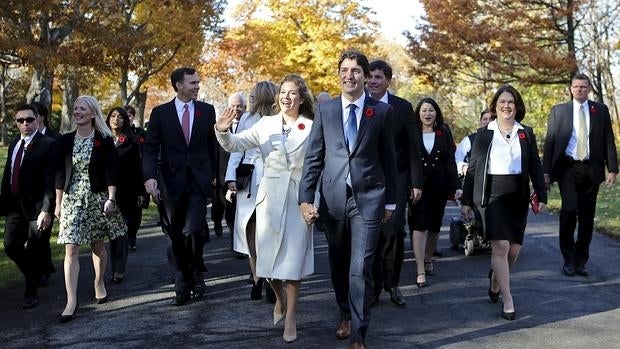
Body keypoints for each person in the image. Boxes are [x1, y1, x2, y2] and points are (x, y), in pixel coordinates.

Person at [299, 50, 398, 349]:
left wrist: (390, 202)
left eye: (356, 71)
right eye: (344, 69)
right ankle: (344, 311)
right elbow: (313, 157)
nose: (349, 75)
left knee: (360, 266)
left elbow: (389, 160)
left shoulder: (379, 112)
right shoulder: (325, 110)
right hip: (333, 199)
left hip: (368, 198)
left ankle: (358, 332)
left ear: (366, 77)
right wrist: (306, 197)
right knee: (339, 262)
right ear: (338, 74)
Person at [216, 74, 315, 343]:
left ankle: (291, 316)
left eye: (292, 93)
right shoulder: (265, 124)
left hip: (297, 200)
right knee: (266, 264)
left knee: (293, 263)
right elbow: (236, 144)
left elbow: (316, 167)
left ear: (301, 98)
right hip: (269, 199)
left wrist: (312, 201)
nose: (286, 97)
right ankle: (279, 297)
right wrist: (223, 131)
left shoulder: (310, 126)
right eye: (283, 92)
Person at [461, 85, 547, 321]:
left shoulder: (525, 133)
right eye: (502, 102)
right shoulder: (485, 133)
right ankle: (508, 299)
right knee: (500, 247)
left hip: (518, 197)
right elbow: (474, 168)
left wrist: (542, 193)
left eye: (511, 102)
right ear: (495, 106)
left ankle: (496, 279)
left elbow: (535, 166)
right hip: (492, 197)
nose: (506, 106)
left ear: (517, 106)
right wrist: (467, 200)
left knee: (514, 251)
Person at [142, 67, 218, 306]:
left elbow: (212, 146)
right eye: (192, 83)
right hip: (170, 182)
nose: (197, 86)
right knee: (175, 235)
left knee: (194, 230)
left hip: (197, 181)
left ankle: (190, 275)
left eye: (198, 82)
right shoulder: (160, 113)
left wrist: (215, 177)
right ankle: (184, 278)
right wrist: (149, 177)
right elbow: (151, 148)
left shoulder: (206, 111)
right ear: (178, 86)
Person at [55, 95, 126, 323]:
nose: (77, 112)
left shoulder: (104, 139)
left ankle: (98, 281)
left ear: (93, 113)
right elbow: (59, 173)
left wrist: (111, 198)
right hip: (72, 198)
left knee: (97, 244)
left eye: (82, 109)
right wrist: (58, 204)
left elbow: (112, 171)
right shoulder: (65, 140)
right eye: (75, 108)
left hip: (97, 198)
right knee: (71, 249)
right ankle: (71, 300)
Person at [543, 73, 618, 277]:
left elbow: (608, 140)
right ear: (570, 89)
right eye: (576, 86)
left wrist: (612, 169)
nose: (579, 90)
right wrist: (546, 172)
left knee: (587, 217)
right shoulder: (559, 111)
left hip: (591, 170)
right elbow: (549, 142)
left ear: (588, 89)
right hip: (568, 169)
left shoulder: (600, 110)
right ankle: (568, 259)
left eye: (583, 87)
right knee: (569, 210)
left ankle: (580, 260)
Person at [366, 59, 422, 307]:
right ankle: (374, 287)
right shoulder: (360, 105)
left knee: (394, 231)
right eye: (370, 77)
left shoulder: (402, 107)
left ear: (388, 81)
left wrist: (416, 182)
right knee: (372, 234)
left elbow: (413, 148)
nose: (373, 81)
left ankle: (393, 283)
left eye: (378, 77)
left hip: (397, 180)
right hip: (367, 179)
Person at [0, 103, 58, 309]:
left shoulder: (48, 144)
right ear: (16, 123)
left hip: (36, 208)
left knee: (35, 248)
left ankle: (30, 292)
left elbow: (50, 180)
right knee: (9, 244)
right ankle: (37, 271)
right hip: (15, 206)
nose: (25, 124)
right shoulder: (15, 142)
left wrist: (46, 209)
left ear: (38, 120)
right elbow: (9, 174)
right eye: (20, 120)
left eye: (29, 120)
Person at [224, 82, 278, 302]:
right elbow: (236, 150)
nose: (251, 100)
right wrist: (230, 178)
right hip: (248, 181)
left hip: (271, 180)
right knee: (250, 231)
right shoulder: (246, 119)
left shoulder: (279, 119)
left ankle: (270, 278)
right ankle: (257, 277)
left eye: (254, 97)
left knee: (269, 232)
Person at [409, 98, 460, 288]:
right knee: (419, 224)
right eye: (424, 110)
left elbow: (449, 161)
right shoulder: (412, 132)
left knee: (434, 225)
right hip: (417, 186)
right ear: (418, 113)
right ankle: (420, 268)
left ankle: (429, 258)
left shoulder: (443, 132)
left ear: (436, 113)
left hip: (439, 186)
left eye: (431, 110)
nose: (427, 114)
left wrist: (456, 186)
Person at [106, 107, 147, 282]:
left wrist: (141, 192)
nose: (116, 120)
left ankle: (119, 267)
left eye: (120, 117)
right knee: (109, 231)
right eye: (113, 116)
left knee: (121, 230)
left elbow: (138, 168)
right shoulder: (101, 139)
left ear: (126, 121)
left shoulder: (131, 141)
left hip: (127, 191)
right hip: (105, 192)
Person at [30, 101, 61, 286]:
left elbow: (58, 171)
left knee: (41, 236)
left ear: (40, 117)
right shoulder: (22, 139)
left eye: (32, 115)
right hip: (28, 197)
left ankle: (41, 272)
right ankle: (46, 265)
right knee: (34, 238)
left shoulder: (54, 139)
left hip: (46, 195)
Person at [212, 93, 246, 237]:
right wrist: (214, 175)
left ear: (245, 107)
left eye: (239, 106)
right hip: (222, 174)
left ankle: (236, 241)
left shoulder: (250, 124)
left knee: (239, 211)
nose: (236, 109)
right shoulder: (220, 127)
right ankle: (221, 225)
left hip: (243, 176)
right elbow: (214, 152)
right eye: (233, 106)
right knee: (226, 208)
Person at [455, 109, 492, 177]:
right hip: (473, 179)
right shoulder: (469, 140)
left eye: (490, 119)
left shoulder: (501, 140)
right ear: (480, 121)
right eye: (485, 119)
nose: (488, 122)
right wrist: (463, 167)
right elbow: (457, 158)